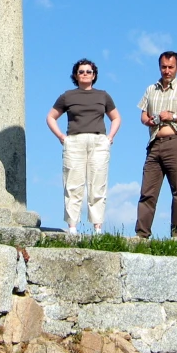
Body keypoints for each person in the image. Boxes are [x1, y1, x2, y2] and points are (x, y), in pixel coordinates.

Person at [46, 59, 121, 235]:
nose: (85, 74)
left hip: (98, 141)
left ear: (94, 75)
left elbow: (116, 117)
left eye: (88, 71)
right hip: (74, 142)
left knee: (98, 184)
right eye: (81, 71)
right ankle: (72, 227)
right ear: (75, 75)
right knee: (73, 184)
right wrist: (61, 137)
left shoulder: (103, 95)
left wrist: (110, 137)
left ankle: (97, 228)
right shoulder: (67, 96)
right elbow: (51, 117)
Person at [135, 51, 177, 240]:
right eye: (164, 67)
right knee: (147, 191)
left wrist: (172, 116)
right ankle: (141, 235)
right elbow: (143, 116)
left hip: (176, 142)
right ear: (159, 67)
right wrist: (150, 121)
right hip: (155, 143)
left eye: (170, 67)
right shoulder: (151, 89)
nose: (167, 71)